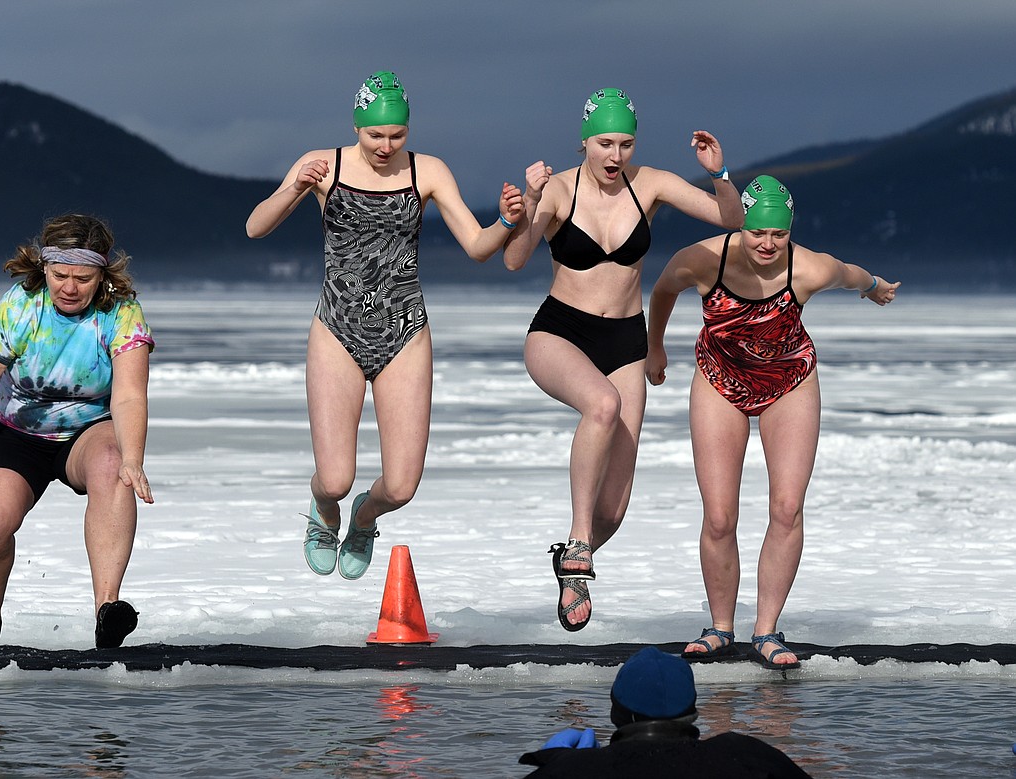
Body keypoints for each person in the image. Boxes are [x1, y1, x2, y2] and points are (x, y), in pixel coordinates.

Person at [246, 71, 523, 580]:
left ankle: (363, 518)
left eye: (397, 135)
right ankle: (325, 508)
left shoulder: (428, 171)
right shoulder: (322, 164)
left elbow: (478, 248)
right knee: (333, 478)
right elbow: (255, 226)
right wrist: (295, 190)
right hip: (337, 328)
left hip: (405, 332)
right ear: (357, 127)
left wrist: (507, 222)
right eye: (376, 135)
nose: (386, 145)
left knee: (400, 486)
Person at [502, 88, 744, 630]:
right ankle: (579, 544)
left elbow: (729, 220)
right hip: (560, 332)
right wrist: (531, 206)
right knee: (602, 406)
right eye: (604, 143)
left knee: (613, 509)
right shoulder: (561, 188)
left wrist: (719, 172)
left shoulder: (650, 184)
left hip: (625, 341)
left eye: (625, 144)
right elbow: (515, 259)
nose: (615, 156)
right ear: (584, 140)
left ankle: (574, 561)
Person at [646, 176, 900, 668]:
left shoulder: (809, 268)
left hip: (790, 382)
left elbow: (851, 273)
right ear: (742, 225)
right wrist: (655, 347)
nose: (766, 244)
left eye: (778, 235)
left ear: (789, 232)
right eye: (757, 233)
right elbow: (661, 290)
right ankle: (720, 628)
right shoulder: (702, 259)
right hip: (719, 379)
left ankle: (767, 631)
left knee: (786, 507)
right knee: (719, 515)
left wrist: (875, 288)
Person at [0, 214, 155, 668]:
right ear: (45, 268)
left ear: (102, 274)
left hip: (87, 430)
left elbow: (130, 395)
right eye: (60, 276)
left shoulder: (121, 311)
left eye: (83, 278)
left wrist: (133, 458)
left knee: (115, 465)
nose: (69, 288)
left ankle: (108, 609)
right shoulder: (19, 307)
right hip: (16, 432)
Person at [518, 645, 814, 778]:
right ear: (693, 711)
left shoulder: (573, 769)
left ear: (617, 714)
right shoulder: (746, 754)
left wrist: (553, 766)